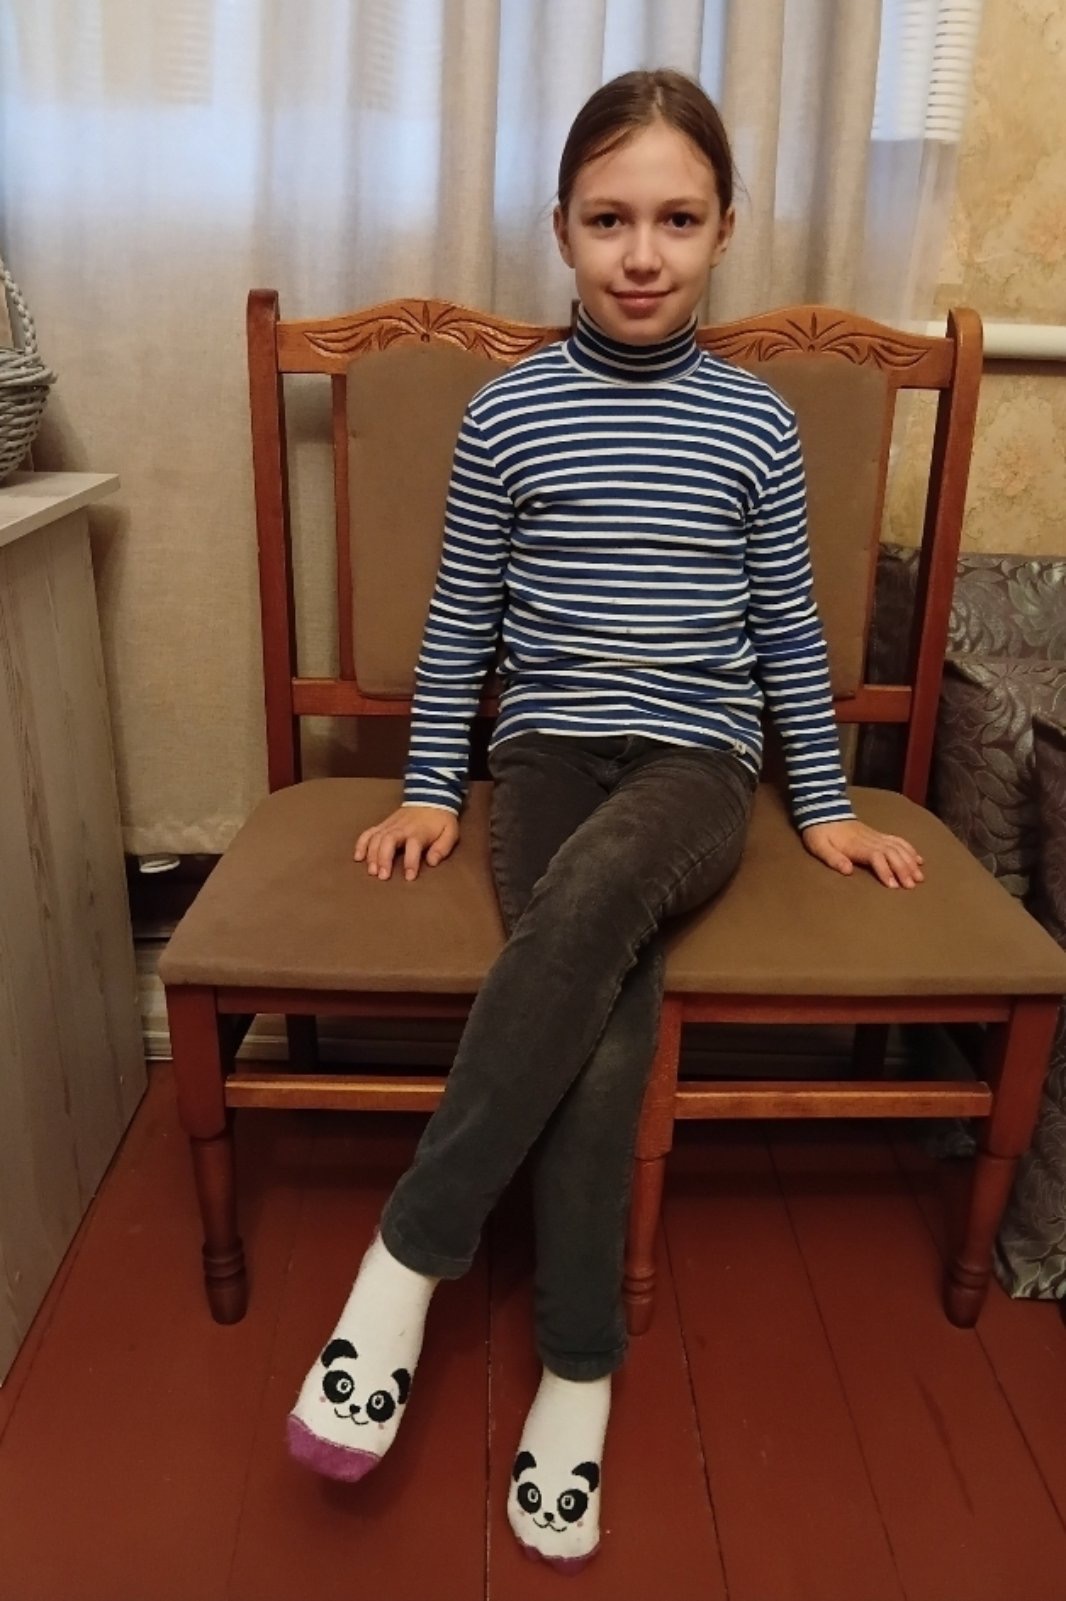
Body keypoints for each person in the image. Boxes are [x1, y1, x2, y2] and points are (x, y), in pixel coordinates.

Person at [286, 67, 924, 1574]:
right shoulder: (508, 412)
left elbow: (788, 630)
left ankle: (403, 1260)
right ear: (562, 227)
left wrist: (821, 804)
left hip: (696, 765)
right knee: (605, 1006)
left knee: (592, 904)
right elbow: (460, 621)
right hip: (549, 754)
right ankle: (580, 1372)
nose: (643, 255)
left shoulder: (755, 426)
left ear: (724, 229)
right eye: (609, 219)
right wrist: (430, 784)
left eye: (677, 220)